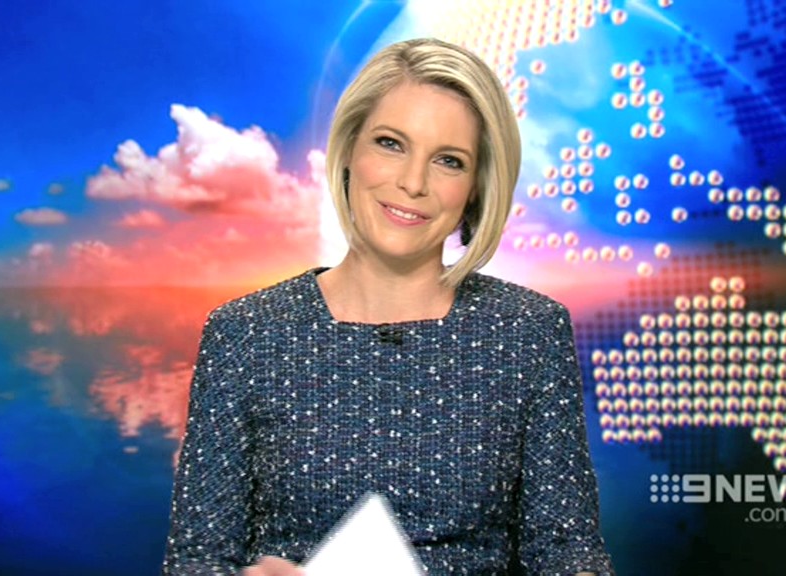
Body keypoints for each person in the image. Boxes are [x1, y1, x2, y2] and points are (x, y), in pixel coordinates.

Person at [162, 38, 614, 576]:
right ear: (350, 150)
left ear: (476, 187)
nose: (413, 182)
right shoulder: (246, 333)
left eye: (449, 161)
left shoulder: (528, 331)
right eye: (391, 143)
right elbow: (197, 560)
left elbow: (566, 551)